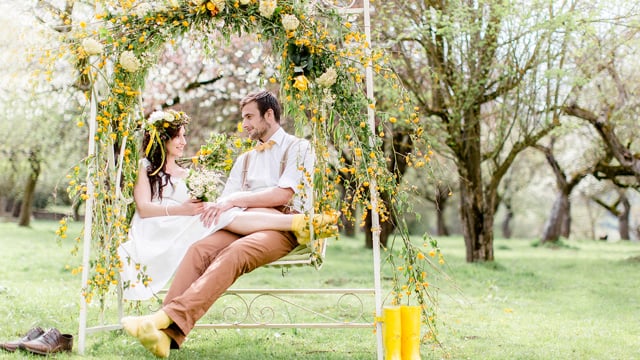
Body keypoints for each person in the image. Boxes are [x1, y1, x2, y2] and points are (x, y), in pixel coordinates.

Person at [120, 90, 326, 358]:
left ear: (269, 115)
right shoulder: (245, 160)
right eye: (243, 118)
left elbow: (283, 194)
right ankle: (165, 338)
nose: (245, 124)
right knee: (199, 250)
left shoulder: (298, 148)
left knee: (236, 253)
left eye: (250, 117)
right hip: (243, 222)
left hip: (284, 225)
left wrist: (238, 201)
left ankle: (163, 318)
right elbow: (226, 202)